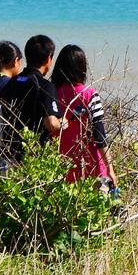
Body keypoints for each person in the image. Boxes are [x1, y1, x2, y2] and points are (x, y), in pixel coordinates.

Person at [50, 44, 118, 191]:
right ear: (82, 68)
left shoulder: (51, 94)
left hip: (59, 168)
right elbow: (100, 135)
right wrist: (110, 169)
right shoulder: (89, 94)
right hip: (91, 168)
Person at [0, 34, 63, 164]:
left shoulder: (11, 82)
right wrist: (64, 122)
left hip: (10, 153)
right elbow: (52, 124)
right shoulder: (45, 86)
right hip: (34, 157)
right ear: (48, 59)